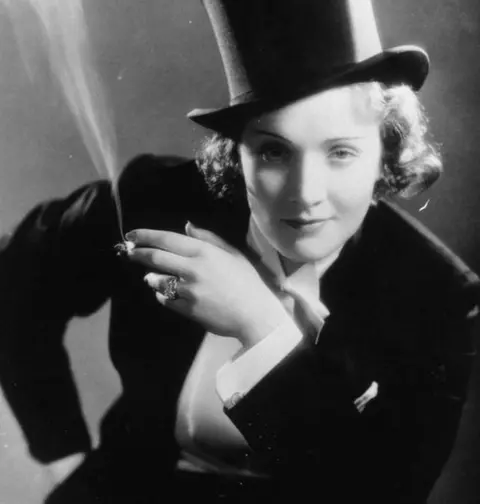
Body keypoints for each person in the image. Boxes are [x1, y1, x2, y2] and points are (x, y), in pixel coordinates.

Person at [0, 0, 478, 503]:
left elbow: (383, 491)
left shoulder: (438, 293)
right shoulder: (154, 199)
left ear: (385, 151)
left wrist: (259, 325)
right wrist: (60, 451)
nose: (306, 192)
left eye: (341, 152)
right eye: (273, 151)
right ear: (236, 153)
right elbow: (15, 279)